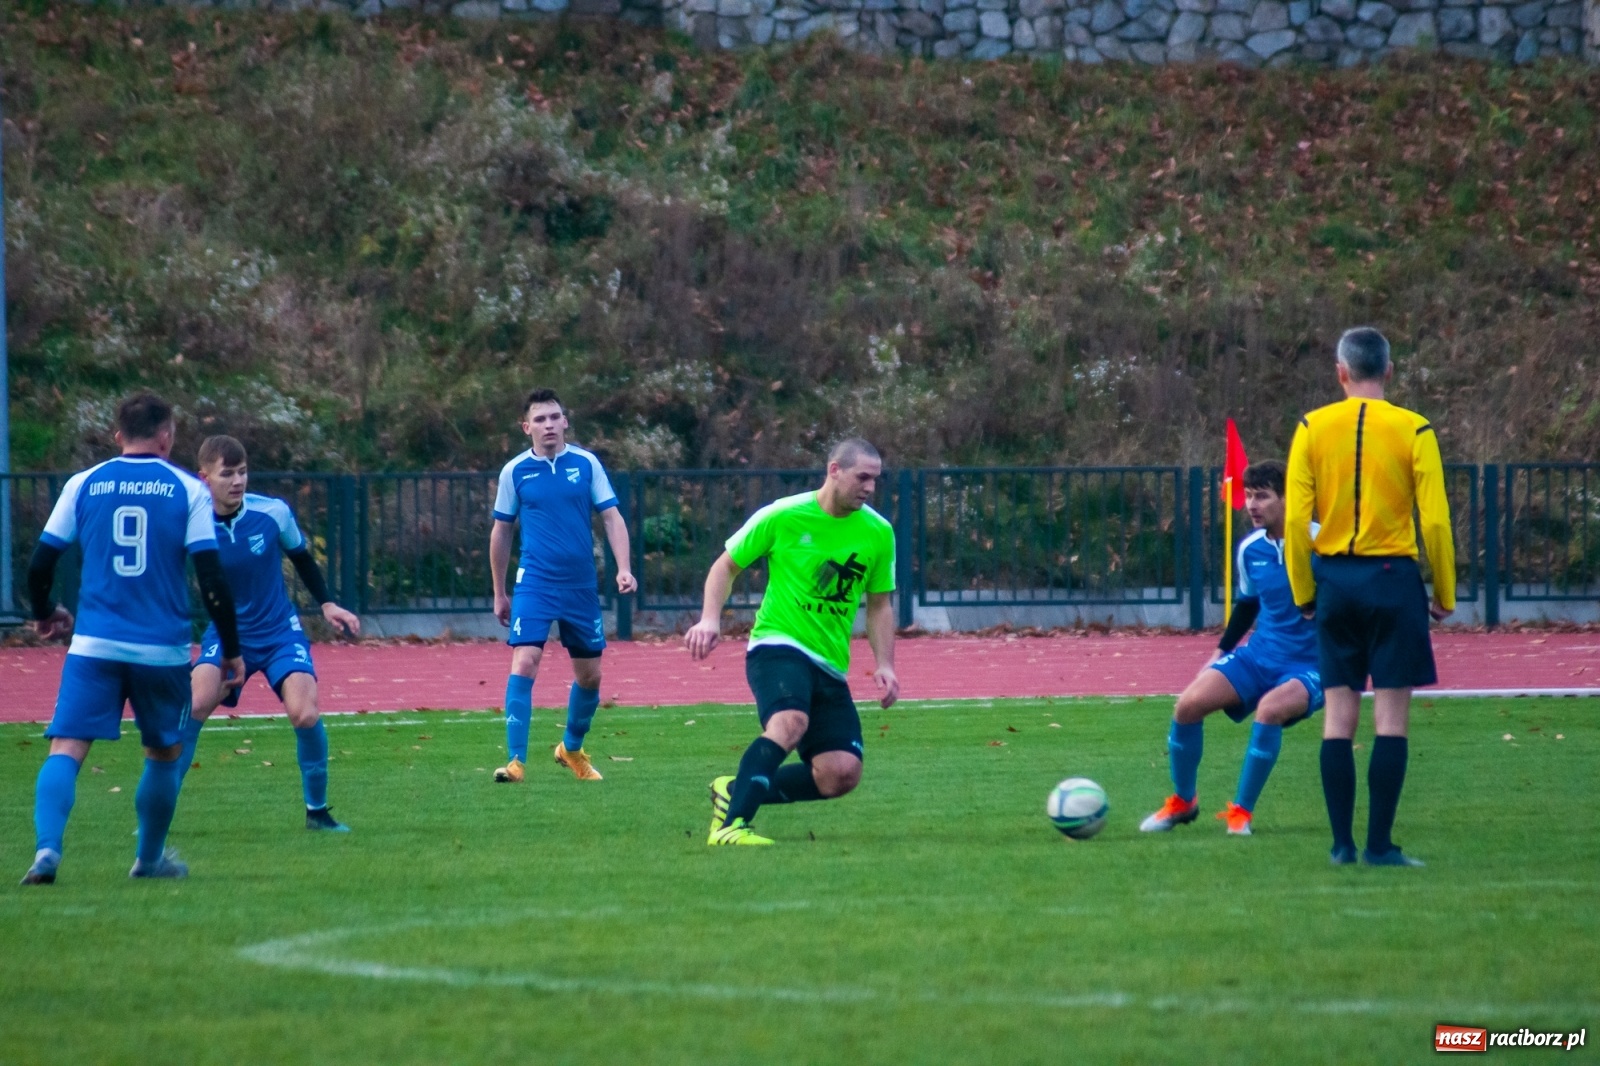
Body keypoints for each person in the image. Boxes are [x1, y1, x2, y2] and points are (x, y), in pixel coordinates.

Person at [20, 392, 244, 884]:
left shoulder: (83, 484)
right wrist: (230, 649)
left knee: (66, 748)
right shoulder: (189, 490)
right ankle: (148, 859)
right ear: (167, 435)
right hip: (159, 651)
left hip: (93, 647)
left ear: (118, 436)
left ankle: (46, 851)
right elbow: (211, 577)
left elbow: (39, 566)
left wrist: (46, 612)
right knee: (165, 752)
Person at [1285, 327, 1455, 868]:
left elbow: (1294, 520)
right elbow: (1434, 517)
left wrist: (1304, 591)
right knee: (1391, 721)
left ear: (1340, 371)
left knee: (1338, 719)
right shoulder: (1415, 428)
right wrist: (1444, 590)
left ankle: (1341, 846)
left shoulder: (1311, 427)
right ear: (1388, 371)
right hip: (1392, 579)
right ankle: (1379, 845)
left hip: (1335, 580)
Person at [686, 438, 900, 846]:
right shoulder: (783, 515)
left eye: (876, 479)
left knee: (840, 773)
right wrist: (710, 619)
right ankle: (732, 827)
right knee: (790, 723)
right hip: (776, 646)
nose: (870, 487)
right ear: (834, 470)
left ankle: (736, 789)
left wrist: (885, 664)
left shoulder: (878, 531)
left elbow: (879, 606)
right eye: (863, 477)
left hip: (829, 663)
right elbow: (724, 566)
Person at [175, 436, 363, 831]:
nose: (238, 481)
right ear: (204, 477)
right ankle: (160, 811)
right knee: (193, 706)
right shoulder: (189, 521)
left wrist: (328, 603)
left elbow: (302, 558)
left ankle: (318, 812)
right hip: (226, 637)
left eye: (242, 472)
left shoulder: (273, 512)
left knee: (305, 713)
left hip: (280, 633)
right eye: (227, 474)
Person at [1140, 460, 1324, 837]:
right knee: (1188, 705)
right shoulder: (1250, 549)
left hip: (1312, 664)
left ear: (1288, 499)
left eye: (1263, 496)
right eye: (1249, 496)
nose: (1253, 505)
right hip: (1259, 656)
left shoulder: (1325, 543)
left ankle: (1241, 812)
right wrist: (1220, 651)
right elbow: (1249, 604)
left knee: (1270, 710)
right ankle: (1183, 801)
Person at [489, 388, 635, 784]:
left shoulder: (587, 464)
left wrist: (624, 567)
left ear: (565, 422)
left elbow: (611, 517)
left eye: (555, 417)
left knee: (590, 677)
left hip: (580, 587)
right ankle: (515, 761)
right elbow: (502, 531)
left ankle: (571, 748)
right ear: (526, 427)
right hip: (535, 582)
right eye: (540, 419)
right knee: (525, 660)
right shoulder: (514, 472)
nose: (548, 425)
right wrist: (500, 592)